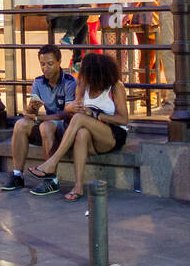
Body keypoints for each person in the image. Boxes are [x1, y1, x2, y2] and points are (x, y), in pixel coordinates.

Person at [26, 52, 130, 200]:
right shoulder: (82, 85)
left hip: (110, 135)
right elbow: (73, 111)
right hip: (87, 136)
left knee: (81, 119)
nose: (82, 74)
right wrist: (70, 109)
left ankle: (52, 162)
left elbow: (123, 119)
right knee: (81, 132)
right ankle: (78, 187)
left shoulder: (115, 86)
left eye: (85, 71)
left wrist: (95, 115)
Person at [1, 44, 76, 194]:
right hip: (46, 122)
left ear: (59, 62)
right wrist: (31, 110)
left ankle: (51, 180)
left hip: (65, 127)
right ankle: (17, 175)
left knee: (46, 126)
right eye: (42, 64)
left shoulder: (70, 82)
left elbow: (67, 114)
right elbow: (31, 111)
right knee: (21, 124)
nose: (45, 68)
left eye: (50, 64)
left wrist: (40, 117)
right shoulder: (38, 82)